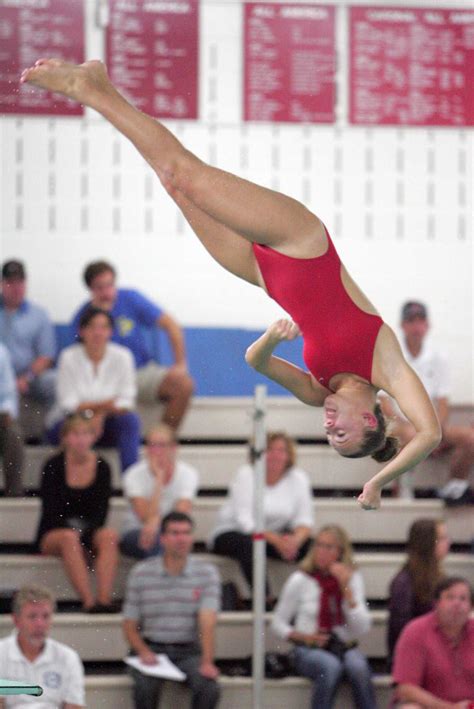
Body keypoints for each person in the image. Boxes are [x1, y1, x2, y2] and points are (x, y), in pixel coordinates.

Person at [20, 59, 442, 509]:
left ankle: (96, 87)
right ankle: (90, 88)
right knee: (186, 173)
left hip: (261, 273)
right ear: (370, 421)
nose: (329, 426)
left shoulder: (316, 391)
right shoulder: (386, 366)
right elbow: (431, 433)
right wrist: (377, 482)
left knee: (173, 185)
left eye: (329, 436)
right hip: (299, 241)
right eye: (341, 433)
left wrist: (269, 339)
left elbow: (255, 361)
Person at [70, 260, 194, 431]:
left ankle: (162, 440)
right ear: (90, 289)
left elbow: (172, 325)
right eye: (100, 287)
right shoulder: (83, 317)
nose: (107, 292)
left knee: (183, 385)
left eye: (110, 285)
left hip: (140, 372)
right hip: (108, 381)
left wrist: (180, 365)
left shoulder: (130, 298)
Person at [122, 511, 221, 709]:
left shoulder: (206, 573)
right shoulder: (141, 573)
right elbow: (129, 624)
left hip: (189, 650)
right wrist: (143, 652)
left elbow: (207, 621)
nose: (181, 539)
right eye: (175, 533)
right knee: (144, 686)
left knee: (209, 687)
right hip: (152, 647)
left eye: (186, 533)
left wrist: (207, 661)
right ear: (163, 538)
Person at [271, 524, 376, 709]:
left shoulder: (352, 579)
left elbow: (362, 627)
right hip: (308, 648)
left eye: (328, 547)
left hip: (342, 646)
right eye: (318, 545)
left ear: (341, 553)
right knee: (329, 667)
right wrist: (305, 637)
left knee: (358, 668)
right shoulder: (301, 579)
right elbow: (277, 623)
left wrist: (346, 590)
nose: (321, 551)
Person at [380, 301, 474, 505]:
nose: (416, 327)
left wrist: (435, 431)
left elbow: (442, 402)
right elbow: (384, 403)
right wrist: (413, 429)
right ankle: (404, 488)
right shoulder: (391, 356)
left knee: (469, 437)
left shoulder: (438, 358)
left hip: (430, 425)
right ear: (403, 325)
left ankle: (455, 487)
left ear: (427, 326)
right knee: (410, 434)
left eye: (421, 321)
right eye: (411, 321)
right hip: (400, 425)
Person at [209, 431, 313, 601]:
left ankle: (310, 601)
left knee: (314, 547)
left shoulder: (298, 478)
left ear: (289, 455)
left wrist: (295, 541)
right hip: (234, 533)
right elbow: (245, 522)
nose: (275, 455)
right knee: (250, 544)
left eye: (281, 450)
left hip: (271, 537)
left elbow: (304, 520)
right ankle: (264, 600)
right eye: (269, 449)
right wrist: (278, 541)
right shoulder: (246, 474)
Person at [36, 413, 120, 612]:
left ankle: (104, 599)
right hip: (55, 531)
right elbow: (51, 511)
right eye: (75, 434)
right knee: (68, 537)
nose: (80, 439)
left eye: (85, 433)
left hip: (89, 530)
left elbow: (101, 512)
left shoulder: (103, 467)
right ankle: (88, 601)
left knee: (109, 536)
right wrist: (78, 540)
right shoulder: (53, 465)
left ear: (93, 437)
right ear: (65, 438)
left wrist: (85, 539)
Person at [47, 306, 140, 472]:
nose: (98, 333)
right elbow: (68, 403)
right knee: (63, 431)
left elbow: (127, 400)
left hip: (109, 425)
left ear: (111, 332)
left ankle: (131, 482)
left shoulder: (123, 356)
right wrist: (96, 412)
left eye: (103, 327)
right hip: (75, 422)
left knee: (130, 422)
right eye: (92, 327)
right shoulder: (68, 357)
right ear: (81, 331)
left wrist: (100, 414)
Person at [392, 576, 474, 707]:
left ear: (471, 607)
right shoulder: (415, 631)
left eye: (463, 599)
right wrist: (448, 707)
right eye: (450, 597)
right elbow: (405, 688)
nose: (457, 603)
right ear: (436, 603)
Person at [120, 423, 199, 559]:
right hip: (136, 530)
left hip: (170, 532)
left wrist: (156, 525)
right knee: (154, 540)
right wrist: (158, 482)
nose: (156, 451)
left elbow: (179, 516)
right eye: (151, 445)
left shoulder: (188, 474)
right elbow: (145, 518)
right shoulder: (133, 474)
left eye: (161, 445)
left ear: (173, 448)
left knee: (166, 539)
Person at [0, 584, 85, 709]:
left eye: (46, 616)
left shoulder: (67, 657)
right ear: (16, 620)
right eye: (32, 617)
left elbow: (74, 705)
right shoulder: (2, 653)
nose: (40, 624)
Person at [387, 518, 450, 667]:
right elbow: (402, 631)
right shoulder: (404, 583)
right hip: (414, 658)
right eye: (442, 538)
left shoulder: (439, 576)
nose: (448, 542)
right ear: (427, 543)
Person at [0, 259, 56, 414]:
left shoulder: (39, 315)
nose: (16, 288)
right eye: (11, 282)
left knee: (54, 381)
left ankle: (53, 433)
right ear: (2, 284)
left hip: (29, 377)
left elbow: (46, 356)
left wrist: (26, 378)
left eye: (20, 282)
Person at [0, 343, 24, 496]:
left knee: (13, 433)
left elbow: (8, 394)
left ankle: (13, 495)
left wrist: (6, 412)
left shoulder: (1, 352)